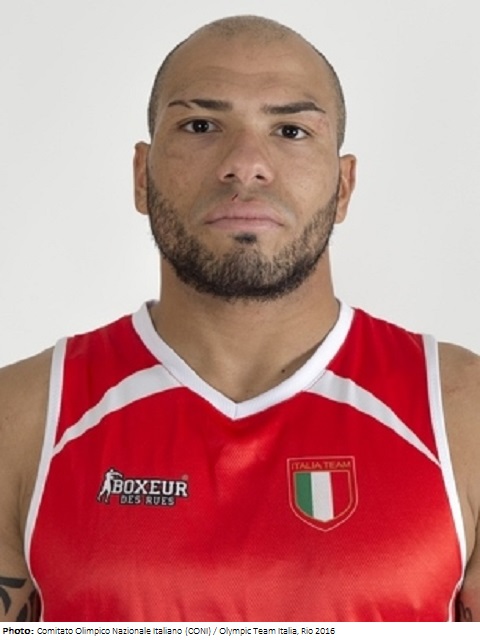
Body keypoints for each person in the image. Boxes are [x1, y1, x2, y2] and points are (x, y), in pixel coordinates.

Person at [0, 14, 479, 623]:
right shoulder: (21, 420)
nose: (245, 164)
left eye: (290, 130)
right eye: (201, 125)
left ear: (344, 186)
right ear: (142, 177)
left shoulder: (462, 416)